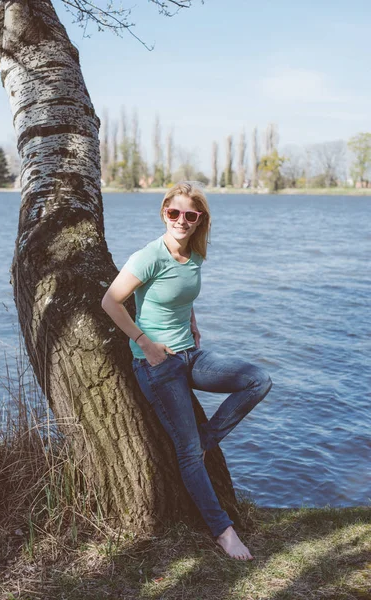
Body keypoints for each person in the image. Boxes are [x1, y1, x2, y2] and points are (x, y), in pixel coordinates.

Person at [101, 181, 272, 560]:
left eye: (189, 215)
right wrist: (144, 342)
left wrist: (191, 321)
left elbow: (179, 293)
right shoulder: (149, 255)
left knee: (258, 380)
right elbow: (110, 301)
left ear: (200, 221)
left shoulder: (192, 255)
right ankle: (223, 531)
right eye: (174, 212)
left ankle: (207, 438)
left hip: (191, 356)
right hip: (157, 365)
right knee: (188, 453)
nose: (181, 220)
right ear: (164, 212)